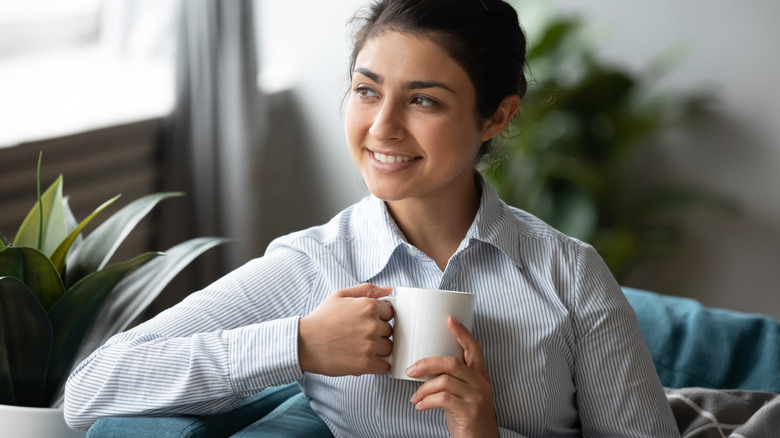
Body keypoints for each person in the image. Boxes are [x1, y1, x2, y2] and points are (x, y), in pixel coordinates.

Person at [65, 0, 679, 436]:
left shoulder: (567, 272)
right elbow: (90, 389)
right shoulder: (312, 267)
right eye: (366, 90)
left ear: (496, 117)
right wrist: (301, 343)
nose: (382, 127)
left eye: (423, 100)